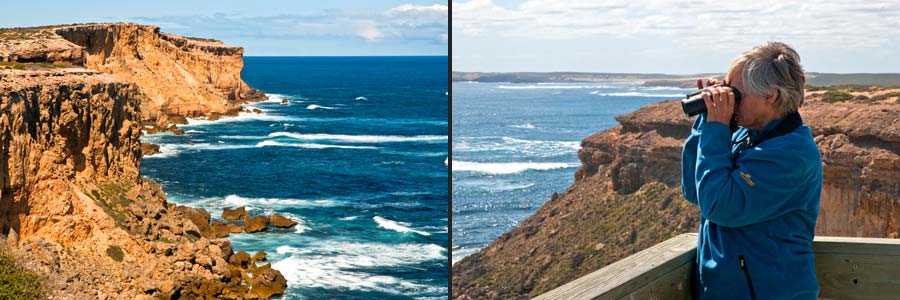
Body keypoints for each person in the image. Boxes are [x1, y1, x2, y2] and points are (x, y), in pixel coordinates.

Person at [681, 41, 823, 299]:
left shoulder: (791, 156)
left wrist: (717, 128)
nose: (728, 101)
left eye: (736, 94)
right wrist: (706, 121)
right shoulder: (746, 135)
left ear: (771, 96)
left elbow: (719, 207)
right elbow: (694, 191)